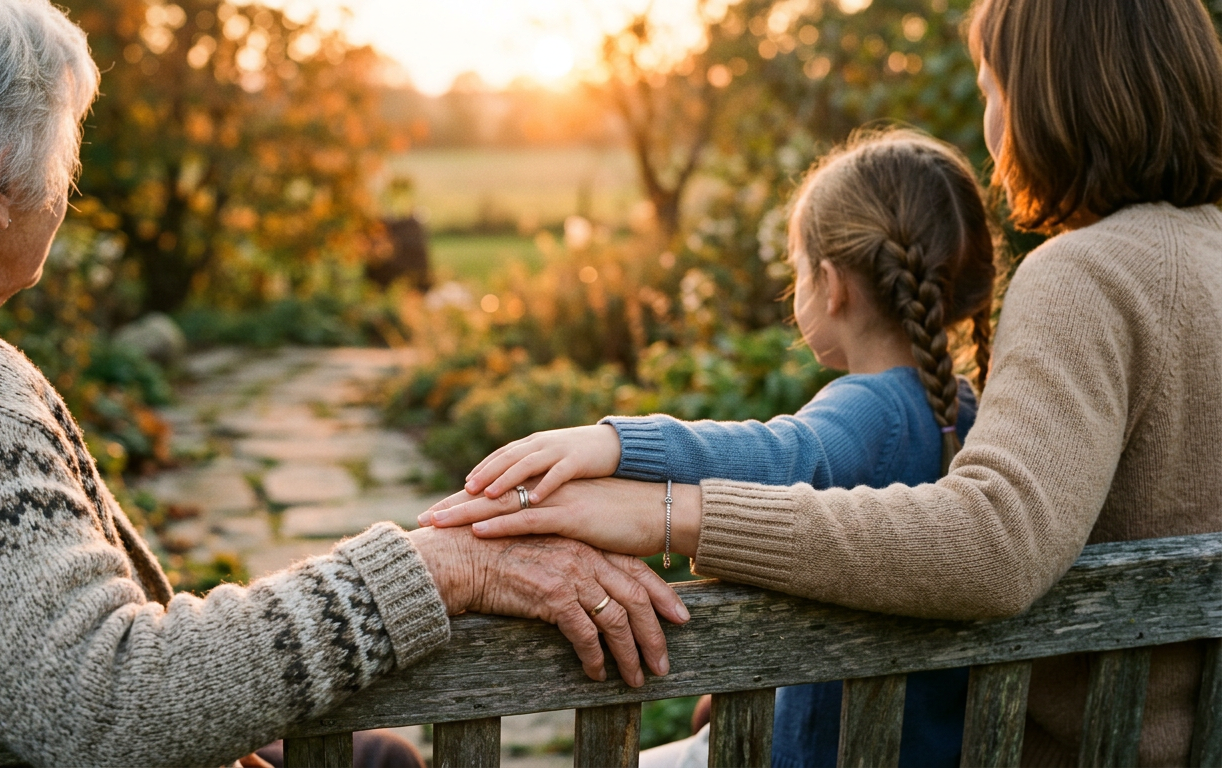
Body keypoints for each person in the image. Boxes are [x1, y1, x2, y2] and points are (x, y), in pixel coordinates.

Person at [0, 2, 690, 767]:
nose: (67, 184)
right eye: (67, 151)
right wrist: (442, 568)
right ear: (1, 190)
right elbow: (109, 702)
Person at [421, 0, 1222, 764]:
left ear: (1047, 97)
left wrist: (657, 498)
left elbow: (994, 544)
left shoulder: (1087, 275)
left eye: (991, 90)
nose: (991, 126)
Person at [425, 128, 996, 768]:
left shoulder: (877, 411)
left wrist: (613, 444)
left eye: (798, 268)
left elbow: (788, 457)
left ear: (831, 286)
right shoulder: (972, 417)